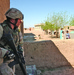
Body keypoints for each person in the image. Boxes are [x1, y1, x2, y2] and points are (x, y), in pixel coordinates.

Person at [0, 8, 24, 75]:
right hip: (2, 62)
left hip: (11, 61)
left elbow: (20, 44)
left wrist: (21, 54)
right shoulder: (1, 28)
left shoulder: (17, 32)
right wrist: (6, 53)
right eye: (19, 19)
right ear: (13, 19)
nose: (21, 21)